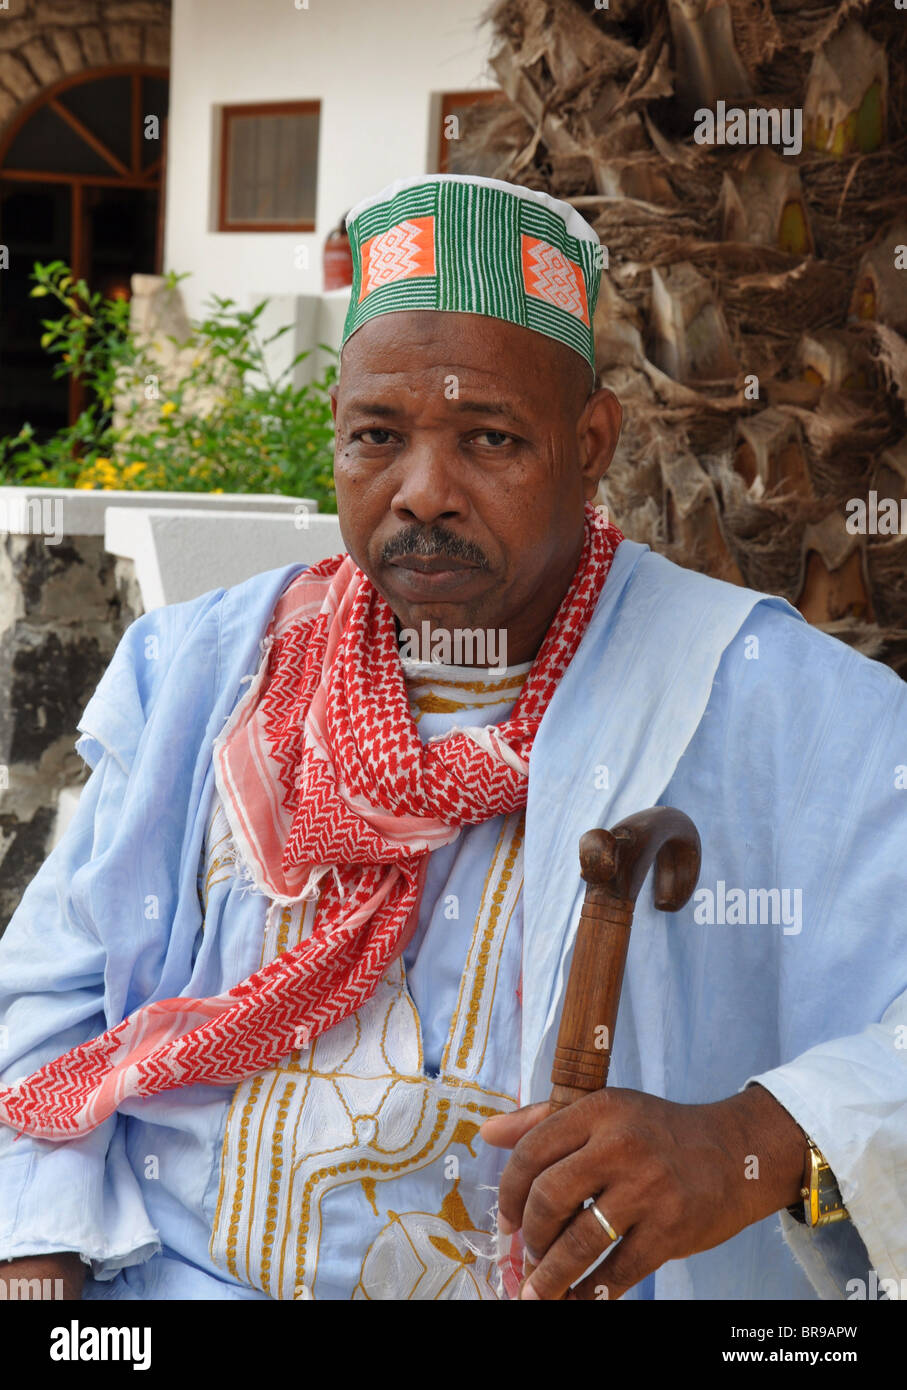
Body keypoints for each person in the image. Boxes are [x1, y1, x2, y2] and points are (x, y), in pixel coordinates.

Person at [0, 173, 904, 1302]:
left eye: (488, 438)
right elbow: (48, 995)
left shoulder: (771, 698)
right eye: (378, 436)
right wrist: (35, 1255)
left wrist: (741, 1141)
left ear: (590, 444)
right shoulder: (202, 669)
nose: (422, 492)